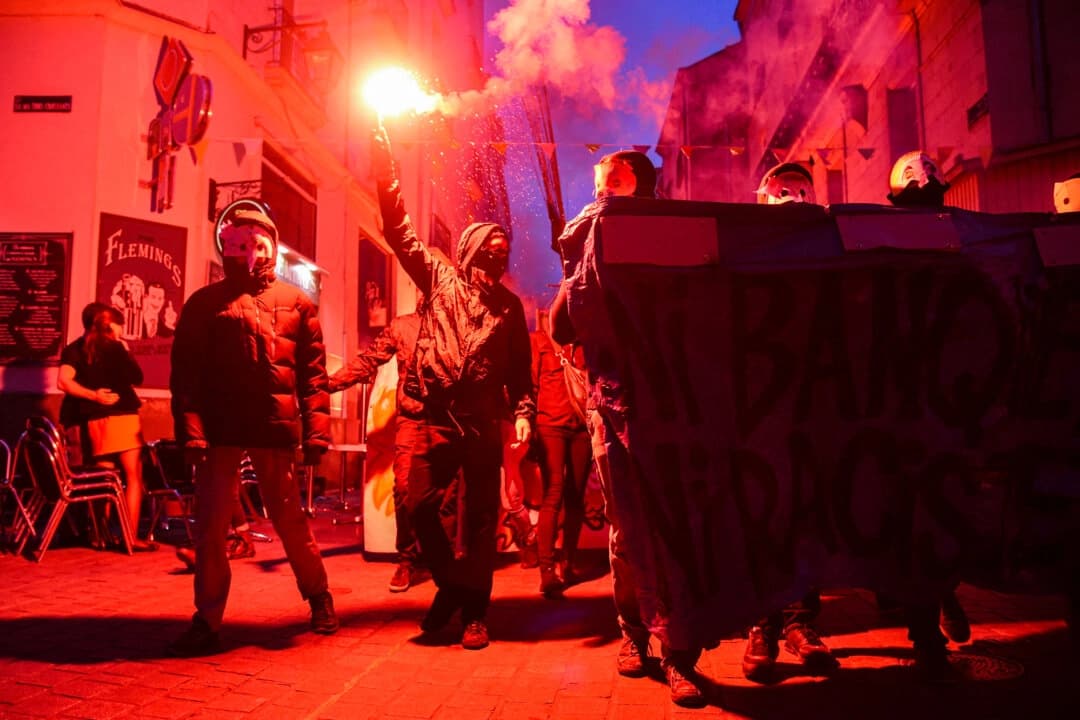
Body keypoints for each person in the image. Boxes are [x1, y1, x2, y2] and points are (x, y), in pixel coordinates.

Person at [550, 150, 707, 707]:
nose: (603, 190)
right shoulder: (589, 240)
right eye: (598, 182)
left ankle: (679, 653)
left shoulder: (678, 237)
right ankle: (634, 636)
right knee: (627, 531)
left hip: (673, 409)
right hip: (613, 407)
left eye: (613, 180)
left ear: (641, 184)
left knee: (675, 526)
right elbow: (561, 324)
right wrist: (576, 271)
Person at [372, 125, 535, 650]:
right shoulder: (439, 279)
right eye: (490, 249)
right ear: (468, 252)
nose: (498, 257)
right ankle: (452, 585)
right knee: (417, 503)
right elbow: (398, 229)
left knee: (483, 523)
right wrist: (383, 158)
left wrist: (525, 409)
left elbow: (518, 372)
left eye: (503, 252)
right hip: (436, 419)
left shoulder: (509, 309)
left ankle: (474, 614)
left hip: (483, 423)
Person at [168, 204, 337, 657]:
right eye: (240, 243)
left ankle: (318, 595)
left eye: (259, 244)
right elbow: (186, 374)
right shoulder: (205, 303)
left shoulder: (297, 303)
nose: (250, 253)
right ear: (226, 246)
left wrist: (316, 433)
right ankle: (207, 619)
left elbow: (312, 375)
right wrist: (193, 432)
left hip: (272, 427)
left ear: (272, 247)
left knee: (289, 520)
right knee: (210, 528)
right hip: (220, 430)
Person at [742, 163, 836, 681]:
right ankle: (762, 624)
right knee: (762, 515)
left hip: (807, 409)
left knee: (803, 517)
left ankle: (801, 622)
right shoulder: (744, 256)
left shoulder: (824, 254)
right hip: (756, 412)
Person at [886, 151, 971, 680]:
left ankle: (940, 600)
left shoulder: (960, 244)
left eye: (930, 200)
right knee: (909, 519)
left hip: (946, 405)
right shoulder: (878, 247)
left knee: (941, 514)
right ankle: (925, 623)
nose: (925, 209)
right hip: (895, 407)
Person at [327, 312, 422, 593]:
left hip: (448, 419)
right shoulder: (404, 326)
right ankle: (407, 559)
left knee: (448, 492)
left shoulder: (455, 319)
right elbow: (368, 359)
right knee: (404, 487)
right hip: (412, 417)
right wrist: (330, 384)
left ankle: (444, 562)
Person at [57, 302, 155, 551]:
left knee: (104, 480)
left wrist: (93, 396)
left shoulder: (75, 350)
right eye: (119, 323)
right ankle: (130, 537)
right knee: (133, 477)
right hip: (123, 417)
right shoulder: (116, 348)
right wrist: (125, 350)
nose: (122, 328)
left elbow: (64, 382)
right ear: (109, 325)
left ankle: (99, 536)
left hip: (94, 421)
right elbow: (137, 376)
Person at [531, 308, 590, 598]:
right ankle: (547, 570)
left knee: (575, 496)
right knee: (553, 494)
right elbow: (531, 385)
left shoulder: (588, 343)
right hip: (550, 426)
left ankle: (567, 563)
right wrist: (525, 424)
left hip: (581, 427)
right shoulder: (540, 343)